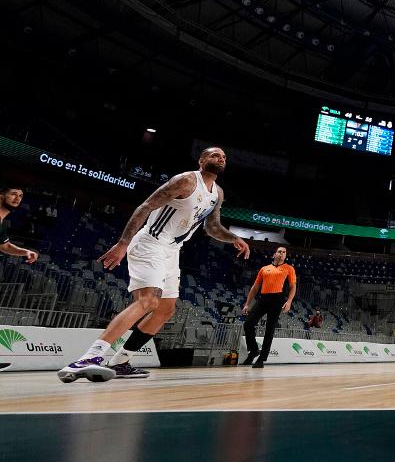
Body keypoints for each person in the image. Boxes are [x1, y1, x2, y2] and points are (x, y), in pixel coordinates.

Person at [58, 147, 250, 382]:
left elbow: (212, 227)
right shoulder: (186, 180)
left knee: (165, 310)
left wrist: (234, 238)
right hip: (150, 242)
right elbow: (146, 206)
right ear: (201, 160)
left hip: (172, 250)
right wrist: (122, 244)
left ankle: (120, 361)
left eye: (224, 157)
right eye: (214, 155)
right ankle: (90, 358)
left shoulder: (217, 193)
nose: (220, 158)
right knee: (148, 301)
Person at [241, 245, 297, 368]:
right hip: (263, 298)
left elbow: (293, 287)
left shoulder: (289, 269)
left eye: (284, 252)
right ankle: (254, 350)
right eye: (279, 252)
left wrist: (289, 302)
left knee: (269, 329)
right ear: (274, 254)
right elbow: (255, 287)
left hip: (277, 299)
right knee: (248, 324)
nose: (282, 253)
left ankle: (261, 359)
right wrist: (247, 304)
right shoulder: (264, 269)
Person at [0, 187, 38, 264]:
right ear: (1, 197)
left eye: (20, 196)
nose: (18, 198)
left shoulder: (2, 222)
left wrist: (25, 252)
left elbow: (5, 246)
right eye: (13, 194)